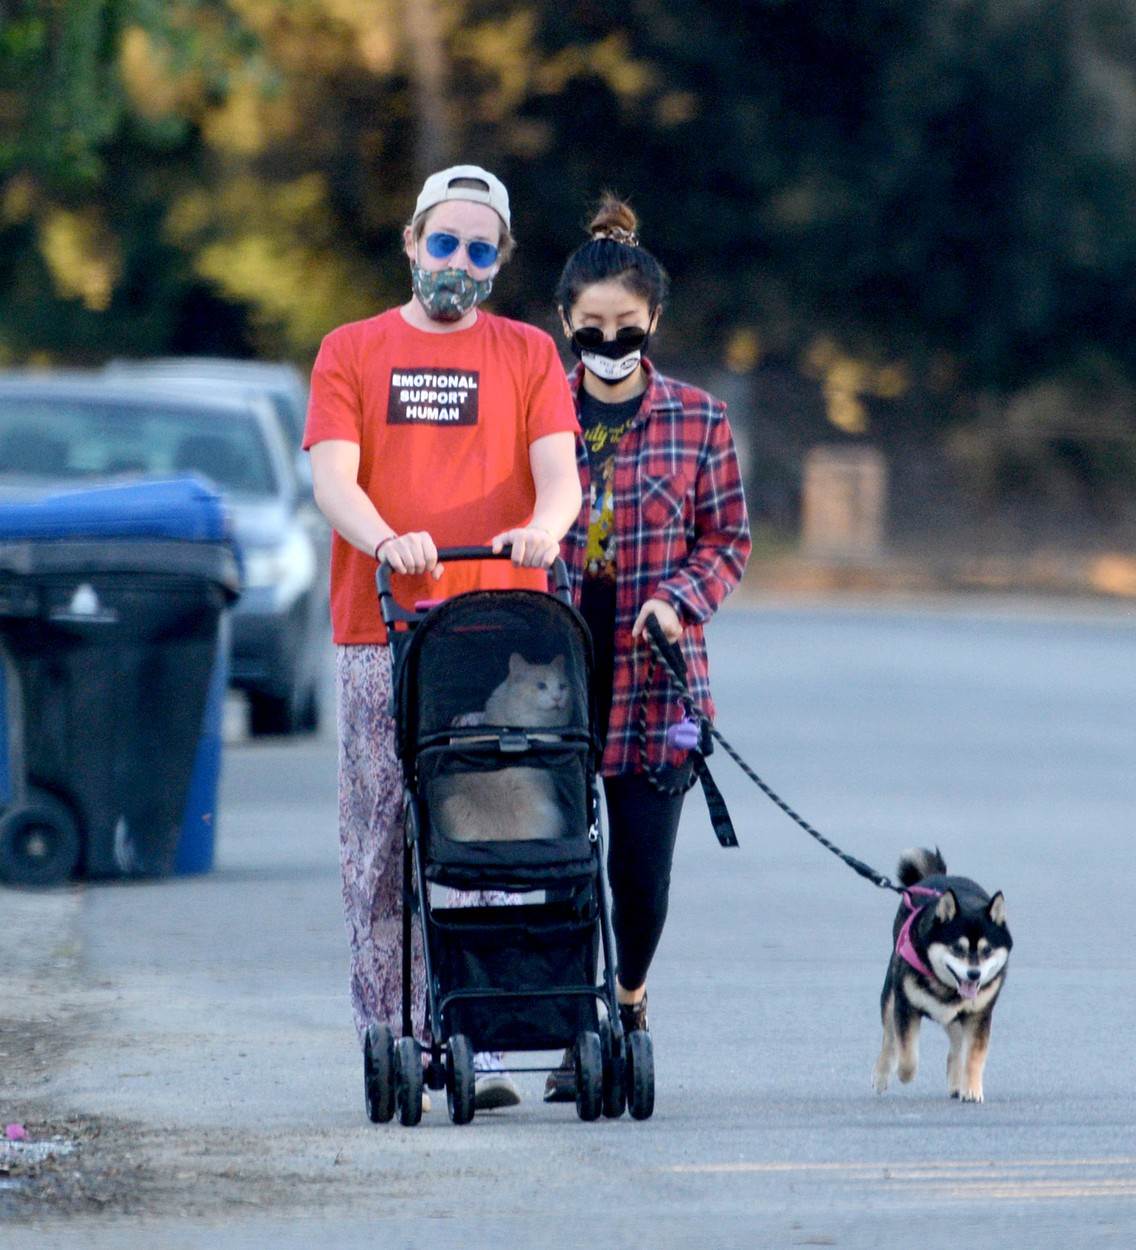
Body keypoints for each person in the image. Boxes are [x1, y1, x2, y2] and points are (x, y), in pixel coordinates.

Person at [303, 164, 582, 1113]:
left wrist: (547, 524)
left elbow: (560, 472)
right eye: (442, 242)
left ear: (498, 262)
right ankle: (394, 1034)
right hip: (382, 625)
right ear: (412, 242)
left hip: (495, 629)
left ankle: (488, 1032)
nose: (455, 263)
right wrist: (384, 536)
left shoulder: (530, 356)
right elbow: (333, 477)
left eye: (477, 249)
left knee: (497, 836)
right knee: (380, 838)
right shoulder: (351, 350)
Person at [544, 195, 751, 1100]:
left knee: (640, 875)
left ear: (653, 322)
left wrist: (679, 599)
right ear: (565, 324)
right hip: (545, 673)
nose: (610, 341)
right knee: (549, 866)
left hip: (654, 682)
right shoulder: (536, 416)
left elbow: (728, 541)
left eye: (627, 326)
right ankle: (560, 1028)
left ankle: (628, 999)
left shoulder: (700, 421)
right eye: (593, 327)